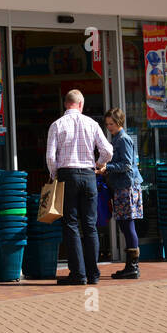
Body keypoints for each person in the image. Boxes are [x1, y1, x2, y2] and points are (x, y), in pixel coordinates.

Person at [46, 89, 113, 285]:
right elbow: (108, 150)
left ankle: (78, 274)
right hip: (88, 174)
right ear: (81, 104)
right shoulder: (92, 124)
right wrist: (98, 164)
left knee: (71, 225)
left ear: (66, 104)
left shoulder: (56, 125)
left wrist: (54, 175)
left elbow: (50, 157)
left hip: (68, 175)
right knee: (90, 226)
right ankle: (93, 274)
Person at [102, 108, 144, 279]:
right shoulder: (117, 138)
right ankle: (131, 266)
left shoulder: (123, 139)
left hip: (127, 187)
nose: (109, 127)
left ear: (119, 122)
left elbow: (126, 164)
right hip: (122, 187)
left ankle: (132, 266)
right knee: (125, 225)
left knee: (127, 225)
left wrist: (107, 168)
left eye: (111, 124)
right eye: (107, 124)